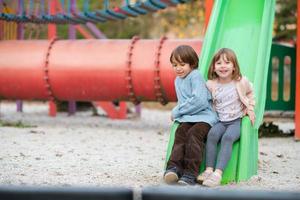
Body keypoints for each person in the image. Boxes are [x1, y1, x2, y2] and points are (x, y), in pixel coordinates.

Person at [197, 48, 255, 187]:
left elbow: (251, 92)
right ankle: (209, 170)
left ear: (234, 66)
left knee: (227, 138)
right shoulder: (211, 84)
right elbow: (205, 101)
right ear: (214, 67)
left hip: (236, 121)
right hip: (220, 121)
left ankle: (218, 173)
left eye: (227, 62)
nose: (223, 66)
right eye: (219, 63)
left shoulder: (241, 81)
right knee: (211, 135)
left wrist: (250, 107)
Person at [164, 45, 218, 185]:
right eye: (174, 65)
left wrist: (177, 111)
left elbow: (199, 101)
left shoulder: (196, 75)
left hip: (205, 117)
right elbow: (183, 101)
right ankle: (174, 168)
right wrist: (181, 112)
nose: (178, 68)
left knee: (194, 134)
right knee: (180, 133)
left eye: (182, 64)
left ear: (192, 64)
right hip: (189, 117)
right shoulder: (177, 80)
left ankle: (190, 173)